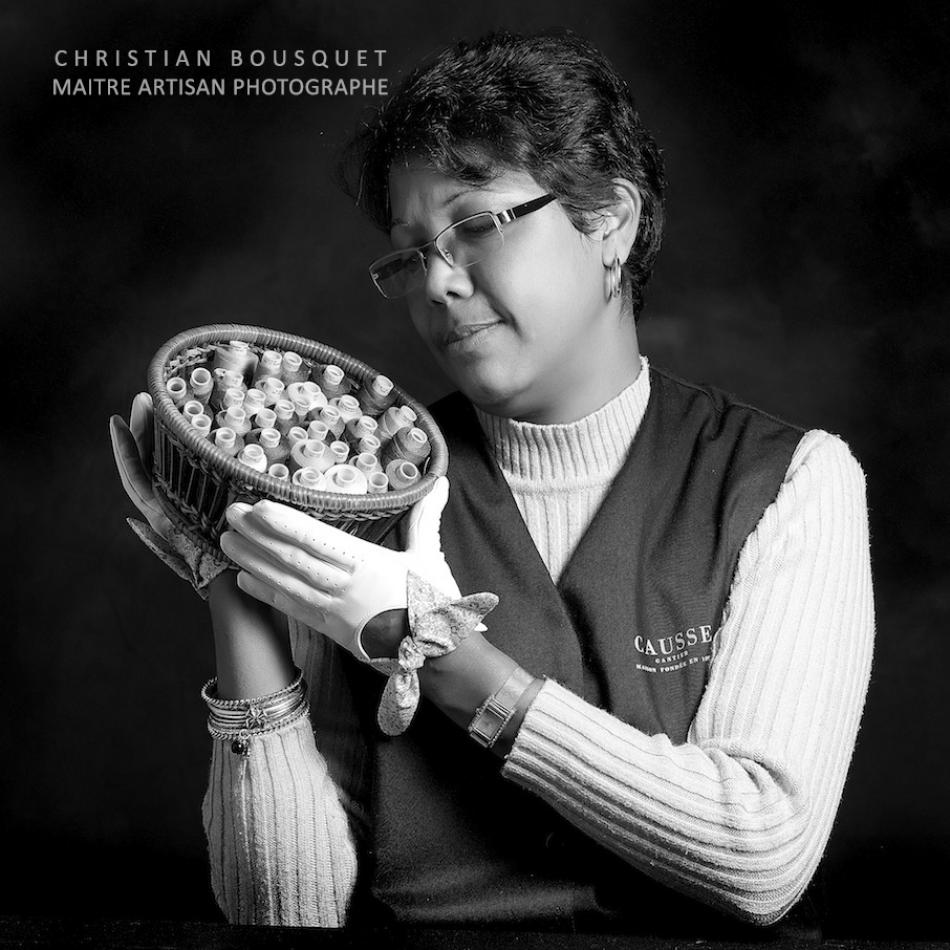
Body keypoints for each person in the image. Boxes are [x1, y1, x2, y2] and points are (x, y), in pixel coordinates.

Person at [110, 29, 874, 936]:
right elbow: (286, 912)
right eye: (410, 254)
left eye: (475, 225)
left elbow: (761, 853)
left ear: (609, 221)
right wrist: (237, 578)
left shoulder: (785, 483)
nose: (436, 284)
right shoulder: (365, 498)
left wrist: (435, 655)